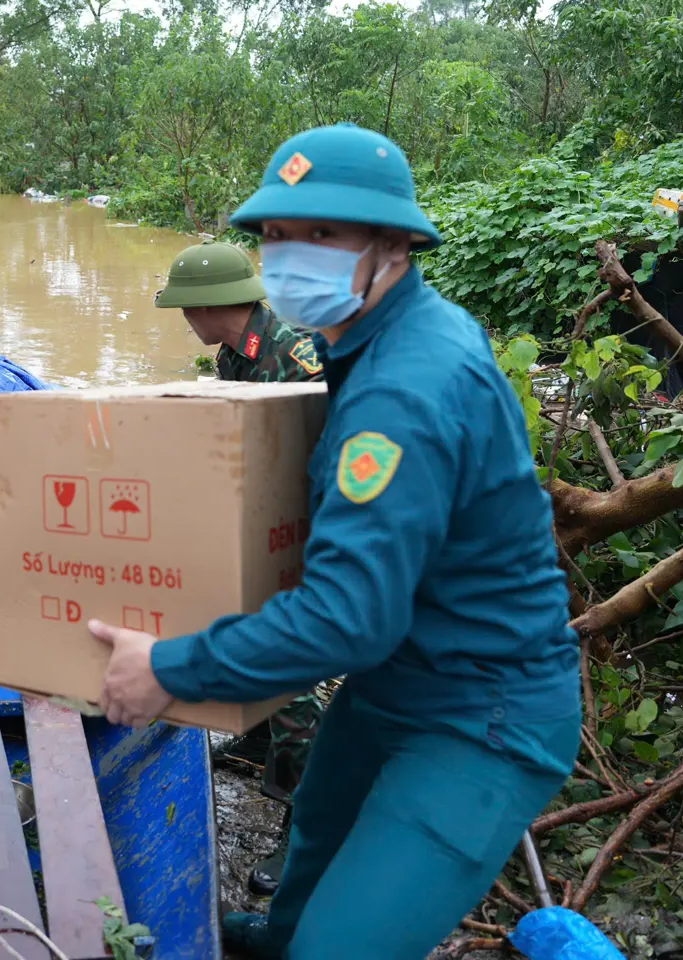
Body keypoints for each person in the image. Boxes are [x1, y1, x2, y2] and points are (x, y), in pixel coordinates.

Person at [90, 123, 581, 959]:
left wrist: (165, 667)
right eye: (277, 236)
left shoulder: (404, 389)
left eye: (321, 233)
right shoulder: (371, 340)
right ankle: (282, 935)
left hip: (481, 713)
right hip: (397, 679)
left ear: (391, 244)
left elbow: (348, 620)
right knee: (315, 837)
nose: (288, 256)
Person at [156, 240, 329, 895]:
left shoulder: (295, 354)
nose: (182, 321)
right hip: (259, 520)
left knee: (292, 677)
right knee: (242, 631)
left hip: (307, 528)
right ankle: (259, 744)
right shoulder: (233, 355)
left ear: (209, 305)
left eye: (184, 308)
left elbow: (334, 444)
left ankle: (302, 829)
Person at [155, 241, 325, 383]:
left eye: (184, 307)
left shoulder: (294, 358)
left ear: (201, 307)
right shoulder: (231, 349)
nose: (186, 317)